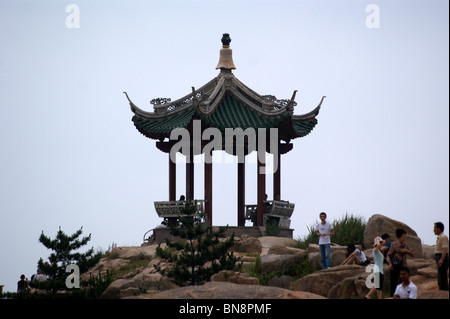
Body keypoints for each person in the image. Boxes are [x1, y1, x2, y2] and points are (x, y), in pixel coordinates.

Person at [387, 228, 414, 296]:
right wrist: (390, 264)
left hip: (403, 266)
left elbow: (412, 254)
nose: (405, 237)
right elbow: (388, 255)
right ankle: (392, 296)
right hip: (395, 266)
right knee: (394, 282)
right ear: (401, 236)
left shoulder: (405, 245)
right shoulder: (394, 245)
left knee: (403, 282)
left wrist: (406, 251)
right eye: (404, 235)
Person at [433, 222, 449, 290]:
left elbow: (445, 248)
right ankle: (442, 290)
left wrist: (441, 259)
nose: (433, 230)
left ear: (439, 228)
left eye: (435, 228)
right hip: (439, 256)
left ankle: (444, 291)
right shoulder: (440, 237)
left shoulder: (443, 237)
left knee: (442, 276)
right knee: (440, 275)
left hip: (441, 256)